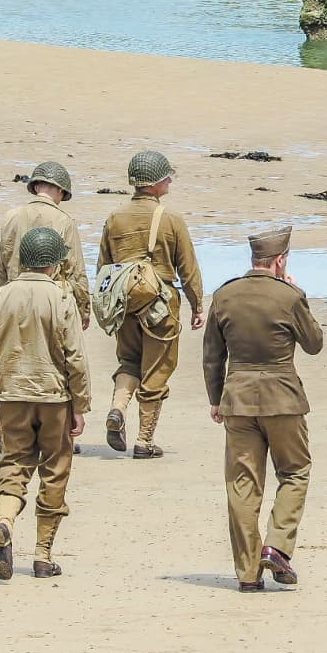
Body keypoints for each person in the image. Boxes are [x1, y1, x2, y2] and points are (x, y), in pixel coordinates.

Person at [202, 226, 323, 592]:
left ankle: (248, 573)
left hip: (237, 399)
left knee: (242, 486)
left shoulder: (225, 295)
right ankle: (277, 545)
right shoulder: (288, 296)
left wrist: (215, 398)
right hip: (283, 398)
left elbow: (212, 355)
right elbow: (314, 343)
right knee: (296, 471)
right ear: (281, 260)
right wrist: (298, 292)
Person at [0, 225, 91, 580]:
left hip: (11, 396)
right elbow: (75, 358)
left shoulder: (1, 296)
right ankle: (42, 555)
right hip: (55, 398)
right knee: (54, 471)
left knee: (14, 465)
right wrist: (81, 405)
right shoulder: (62, 299)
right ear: (55, 265)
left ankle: (4, 522)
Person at [97, 150, 204, 458]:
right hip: (161, 305)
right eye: (167, 177)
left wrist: (106, 306)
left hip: (124, 302)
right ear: (156, 183)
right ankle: (144, 441)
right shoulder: (171, 219)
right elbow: (188, 269)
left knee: (129, 362)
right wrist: (198, 306)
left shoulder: (115, 218)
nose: (170, 180)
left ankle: (118, 408)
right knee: (157, 370)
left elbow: (104, 268)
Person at [0, 160, 90, 330]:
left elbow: (2, 266)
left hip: (14, 301)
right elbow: (75, 271)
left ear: (36, 187)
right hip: (50, 304)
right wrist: (83, 310)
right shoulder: (65, 221)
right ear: (61, 191)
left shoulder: (10, 217)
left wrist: (4, 299)